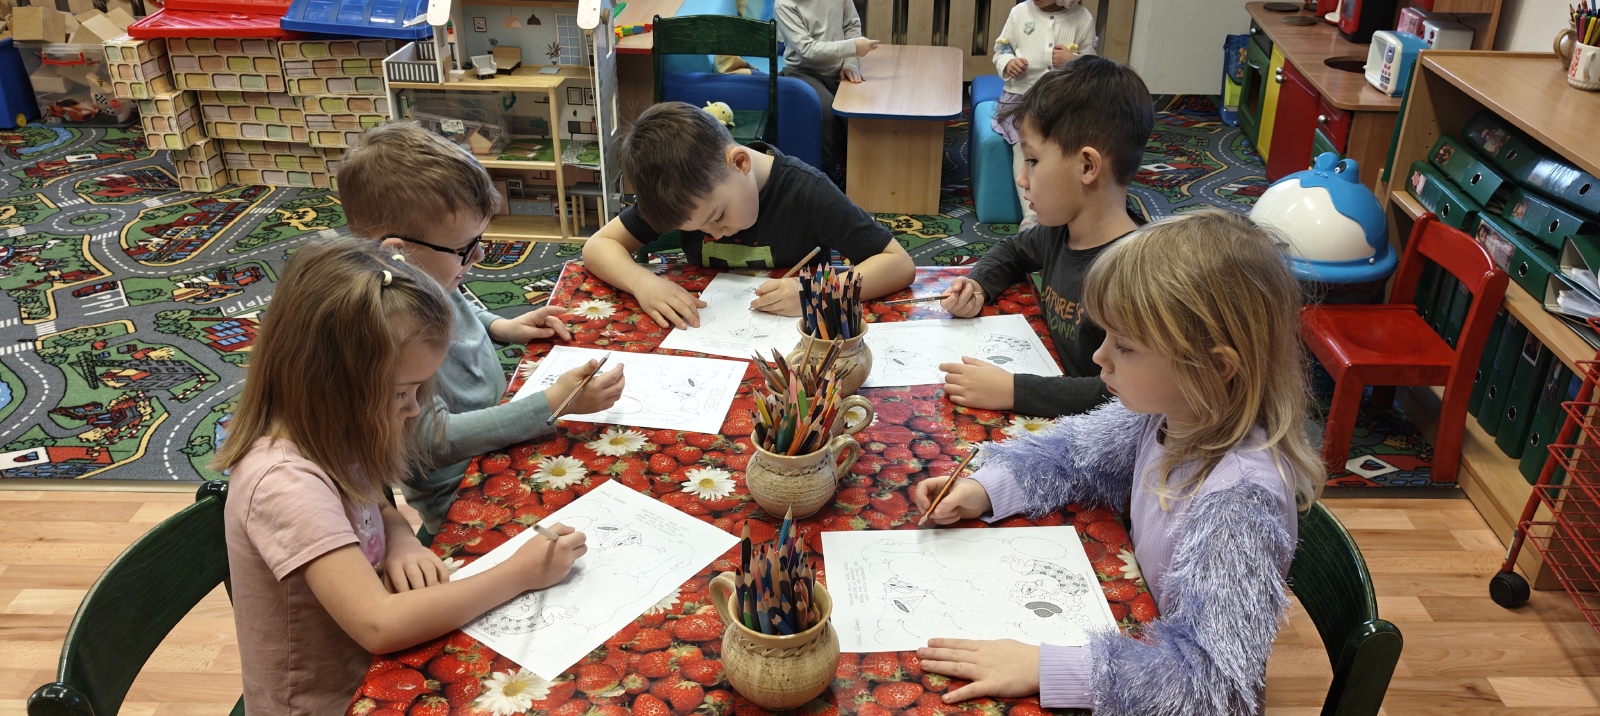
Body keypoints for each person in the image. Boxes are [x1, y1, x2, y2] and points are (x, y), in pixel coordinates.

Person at [912, 210, 1324, 714]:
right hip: (1145, 646)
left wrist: (1045, 668)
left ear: (1215, 366)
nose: (1100, 358)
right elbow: (1073, 454)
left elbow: (1212, 682)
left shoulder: (1239, 502)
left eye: (1124, 346)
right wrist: (983, 489)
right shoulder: (1170, 412)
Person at [216, 238, 589, 715]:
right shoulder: (283, 482)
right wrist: (521, 573)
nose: (414, 408)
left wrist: (398, 538)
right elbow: (380, 624)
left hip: (383, 668)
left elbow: (369, 494)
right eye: (401, 393)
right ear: (327, 380)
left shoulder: (330, 428)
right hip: (335, 701)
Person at [339, 123, 625, 537]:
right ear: (398, 252)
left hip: (506, 434)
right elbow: (433, 441)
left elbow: (462, 306)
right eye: (464, 248)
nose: (479, 255)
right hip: (463, 492)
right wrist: (552, 403)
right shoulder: (387, 332)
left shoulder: (424, 277)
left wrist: (502, 326)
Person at [939, 57, 1152, 418]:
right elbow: (1013, 249)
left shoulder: (1136, 277)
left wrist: (1014, 391)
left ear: (1087, 166)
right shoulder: (1061, 231)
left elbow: (1126, 393)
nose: (1022, 179)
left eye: (1033, 161)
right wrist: (978, 285)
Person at [581, 102, 915, 330]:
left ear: (740, 163)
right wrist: (642, 282)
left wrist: (815, 293)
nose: (714, 234)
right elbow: (598, 246)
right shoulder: (681, 194)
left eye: (718, 216)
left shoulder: (809, 193)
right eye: (698, 228)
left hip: (796, 341)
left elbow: (898, 264)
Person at [990, 0, 1097, 231]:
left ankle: (1070, 208)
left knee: (1067, 148)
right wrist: (1008, 63)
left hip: (1063, 102)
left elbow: (1092, 65)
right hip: (1022, 101)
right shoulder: (1019, 12)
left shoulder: (1082, 18)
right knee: (1025, 149)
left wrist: (1073, 62)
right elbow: (1001, 51)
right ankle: (1031, 213)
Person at [776, 0, 880, 175]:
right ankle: (836, 168)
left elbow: (851, 26)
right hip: (801, 71)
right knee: (827, 109)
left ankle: (863, 166)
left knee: (858, 108)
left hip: (837, 69)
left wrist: (850, 63)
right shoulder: (784, 4)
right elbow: (807, 49)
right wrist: (853, 47)